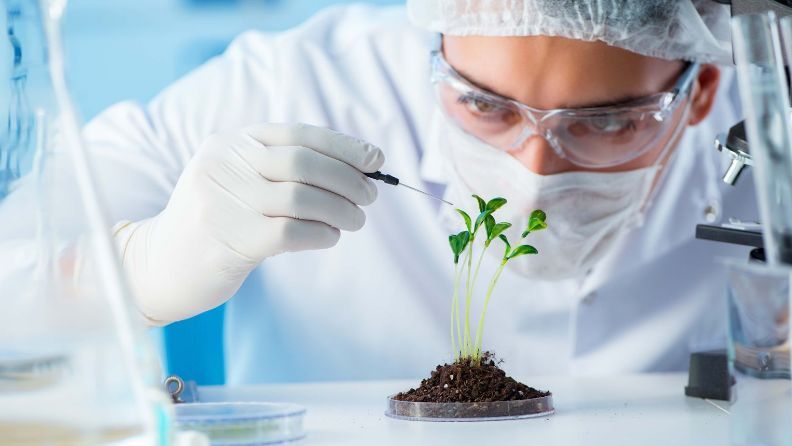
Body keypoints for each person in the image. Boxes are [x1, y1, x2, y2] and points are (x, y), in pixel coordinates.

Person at [0, 0, 756, 383]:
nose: (533, 176)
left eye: (608, 125)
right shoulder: (297, 84)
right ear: (436, 49)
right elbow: (12, 272)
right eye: (483, 106)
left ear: (698, 93)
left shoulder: (764, 123)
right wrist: (139, 265)